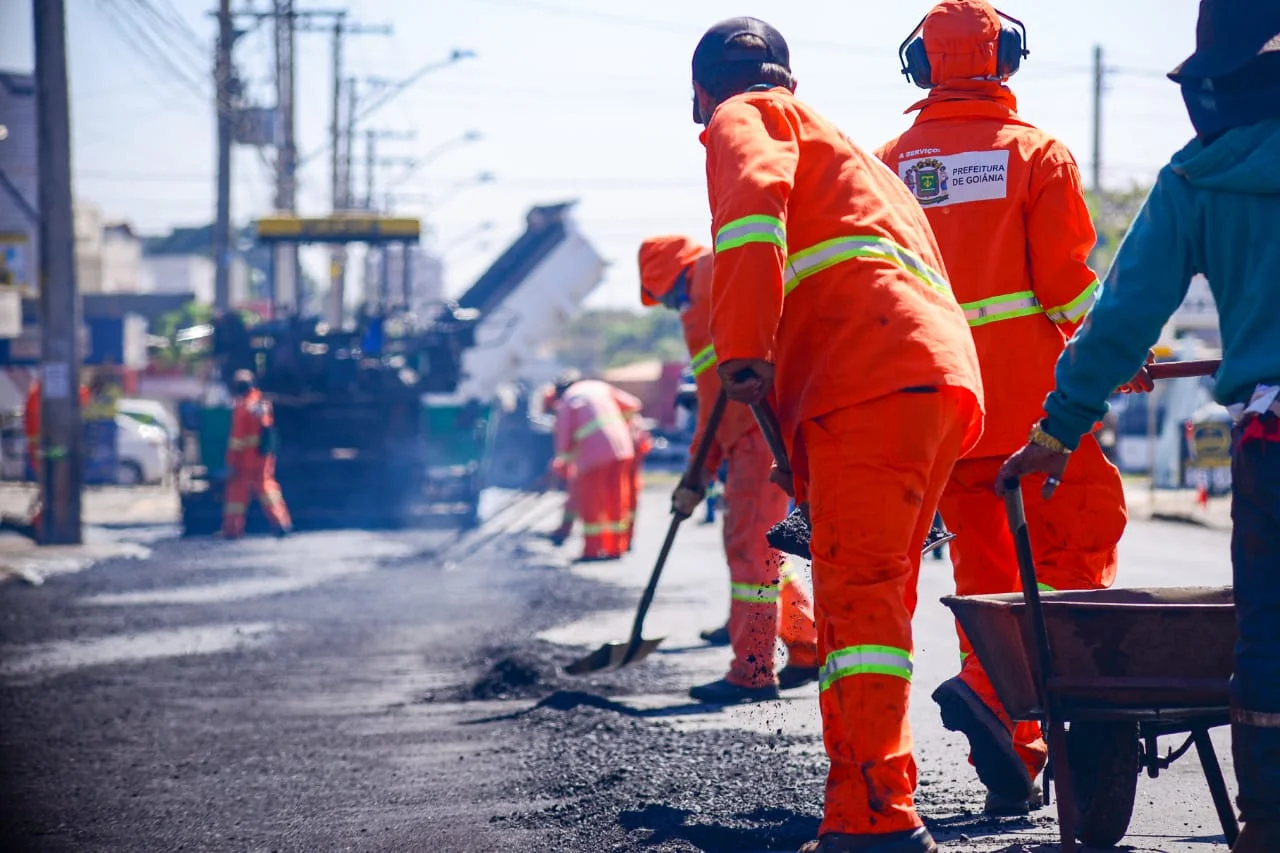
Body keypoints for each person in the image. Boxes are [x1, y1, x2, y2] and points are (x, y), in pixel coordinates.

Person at [690, 18, 984, 852]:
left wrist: (740, 349)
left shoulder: (743, 117)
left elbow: (749, 216)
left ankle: (875, 819)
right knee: (873, 600)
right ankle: (866, 796)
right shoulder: (845, 148)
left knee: (858, 605)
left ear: (702, 92)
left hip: (869, 378)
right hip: (929, 379)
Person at [998, 4, 1280, 850]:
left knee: (1267, 637)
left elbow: (1120, 320)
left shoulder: (1195, 178)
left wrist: (1058, 427)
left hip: (1272, 438)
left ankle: (1268, 820)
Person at [875, 0, 1128, 815]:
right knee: (1073, 553)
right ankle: (1028, 710)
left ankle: (1011, 745)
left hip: (945, 409)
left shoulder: (887, 165)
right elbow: (1068, 289)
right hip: (1037, 411)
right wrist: (1120, 357)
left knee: (988, 579)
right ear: (1007, 60)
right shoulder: (1036, 155)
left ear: (921, 65)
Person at [640, 234, 820, 703]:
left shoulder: (700, 284)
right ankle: (805, 644)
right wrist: (695, 479)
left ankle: (754, 671)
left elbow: (711, 406)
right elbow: (713, 400)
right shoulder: (713, 275)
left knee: (751, 555)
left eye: (659, 296)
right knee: (763, 553)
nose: (665, 307)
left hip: (754, 436)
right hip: (764, 429)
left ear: (664, 277)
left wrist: (696, 478)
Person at [545, 375, 640, 562]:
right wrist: (621, 427)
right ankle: (616, 547)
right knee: (616, 500)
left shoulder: (567, 401)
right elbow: (632, 405)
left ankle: (593, 549)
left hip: (594, 456)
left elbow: (564, 440)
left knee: (591, 503)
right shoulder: (598, 387)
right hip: (622, 448)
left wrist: (561, 465)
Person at [222, 369, 292, 539]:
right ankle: (281, 523)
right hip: (263, 457)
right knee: (268, 490)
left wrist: (231, 463)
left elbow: (237, 440)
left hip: (245, 459)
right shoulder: (261, 402)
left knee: (236, 495)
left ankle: (232, 529)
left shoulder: (243, 406)